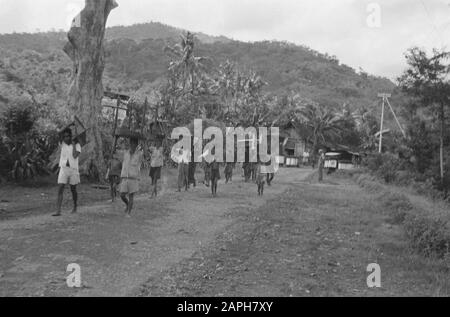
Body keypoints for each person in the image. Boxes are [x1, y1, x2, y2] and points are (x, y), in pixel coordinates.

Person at [53, 128, 82, 217]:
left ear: (71, 136)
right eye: (64, 136)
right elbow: (58, 133)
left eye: (68, 136)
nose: (66, 138)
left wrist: (73, 145)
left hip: (73, 169)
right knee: (60, 188)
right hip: (63, 167)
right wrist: (69, 125)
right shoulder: (62, 144)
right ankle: (58, 210)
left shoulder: (77, 145)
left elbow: (74, 155)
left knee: (73, 189)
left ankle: (75, 206)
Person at [120, 137, 143, 217]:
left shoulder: (139, 154)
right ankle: (127, 205)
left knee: (131, 196)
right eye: (131, 143)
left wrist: (144, 144)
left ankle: (128, 212)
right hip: (125, 177)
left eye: (134, 144)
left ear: (136, 145)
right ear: (130, 144)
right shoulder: (125, 153)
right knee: (122, 195)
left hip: (133, 178)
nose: (132, 145)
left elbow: (146, 154)